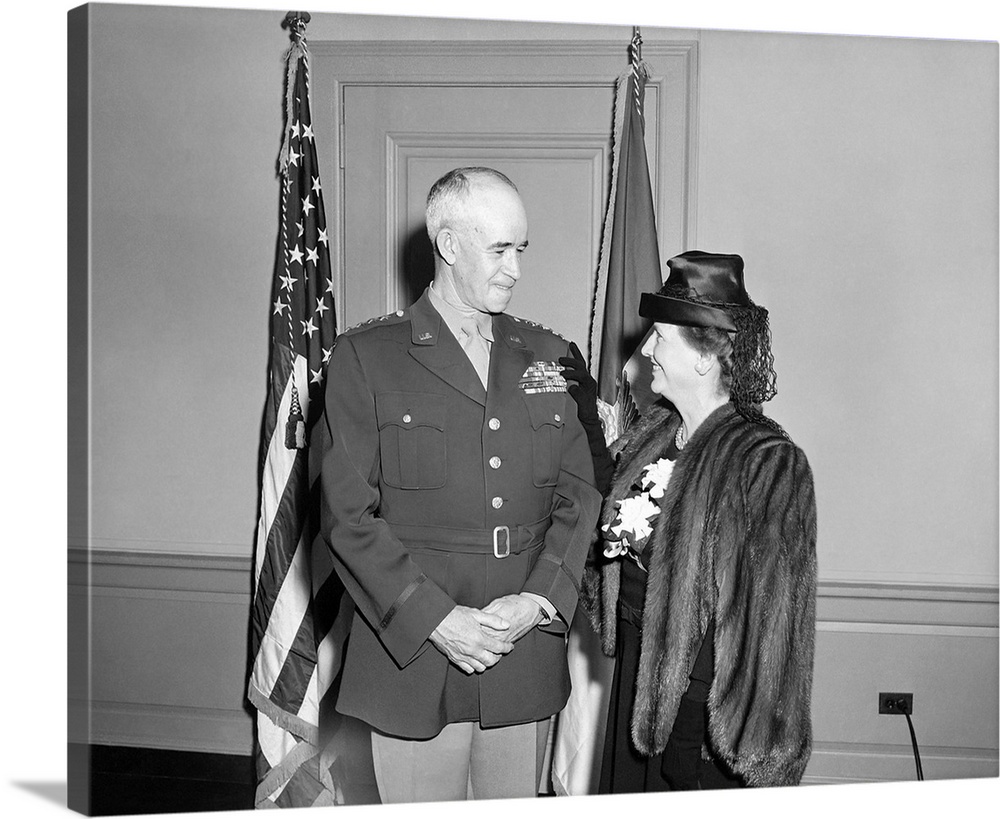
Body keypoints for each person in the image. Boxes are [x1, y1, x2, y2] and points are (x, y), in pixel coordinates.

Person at [319, 167, 603, 803]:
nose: (516, 269)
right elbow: (347, 515)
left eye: (521, 249)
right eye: (500, 249)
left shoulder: (552, 358)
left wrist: (539, 602)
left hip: (522, 649)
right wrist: (437, 619)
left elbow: (579, 495)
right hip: (414, 655)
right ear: (448, 245)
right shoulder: (368, 357)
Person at [575, 250, 817, 791]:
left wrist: (702, 738)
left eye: (661, 336)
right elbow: (605, 547)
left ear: (705, 358)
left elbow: (767, 624)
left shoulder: (766, 462)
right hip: (636, 690)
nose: (647, 350)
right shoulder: (652, 437)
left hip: (702, 725)